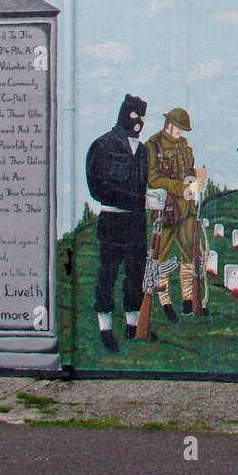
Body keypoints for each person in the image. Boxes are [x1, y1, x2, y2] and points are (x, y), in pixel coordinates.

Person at [85, 94, 150, 352]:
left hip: (136, 224)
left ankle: (133, 325)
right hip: (113, 221)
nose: (139, 122)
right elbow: (98, 188)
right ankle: (105, 327)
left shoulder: (143, 150)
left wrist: (148, 200)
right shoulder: (102, 146)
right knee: (107, 276)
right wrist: (138, 200)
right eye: (135, 115)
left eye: (143, 117)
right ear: (125, 113)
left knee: (136, 274)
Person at [146, 107, 208, 319]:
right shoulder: (153, 145)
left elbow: (188, 171)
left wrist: (197, 177)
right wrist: (182, 188)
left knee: (189, 255)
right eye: (180, 128)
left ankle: (188, 300)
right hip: (166, 211)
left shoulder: (184, 146)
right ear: (169, 124)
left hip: (187, 210)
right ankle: (166, 304)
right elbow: (153, 178)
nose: (182, 132)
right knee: (161, 259)